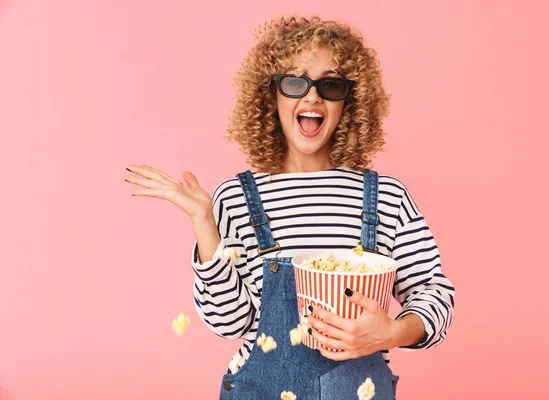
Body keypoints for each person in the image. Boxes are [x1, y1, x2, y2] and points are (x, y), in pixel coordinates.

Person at [125, 16, 455, 400]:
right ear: (272, 96)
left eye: (329, 85)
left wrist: (394, 332)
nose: (312, 97)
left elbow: (434, 293)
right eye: (295, 82)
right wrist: (204, 225)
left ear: (349, 102)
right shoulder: (235, 198)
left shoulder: (386, 197)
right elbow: (228, 323)